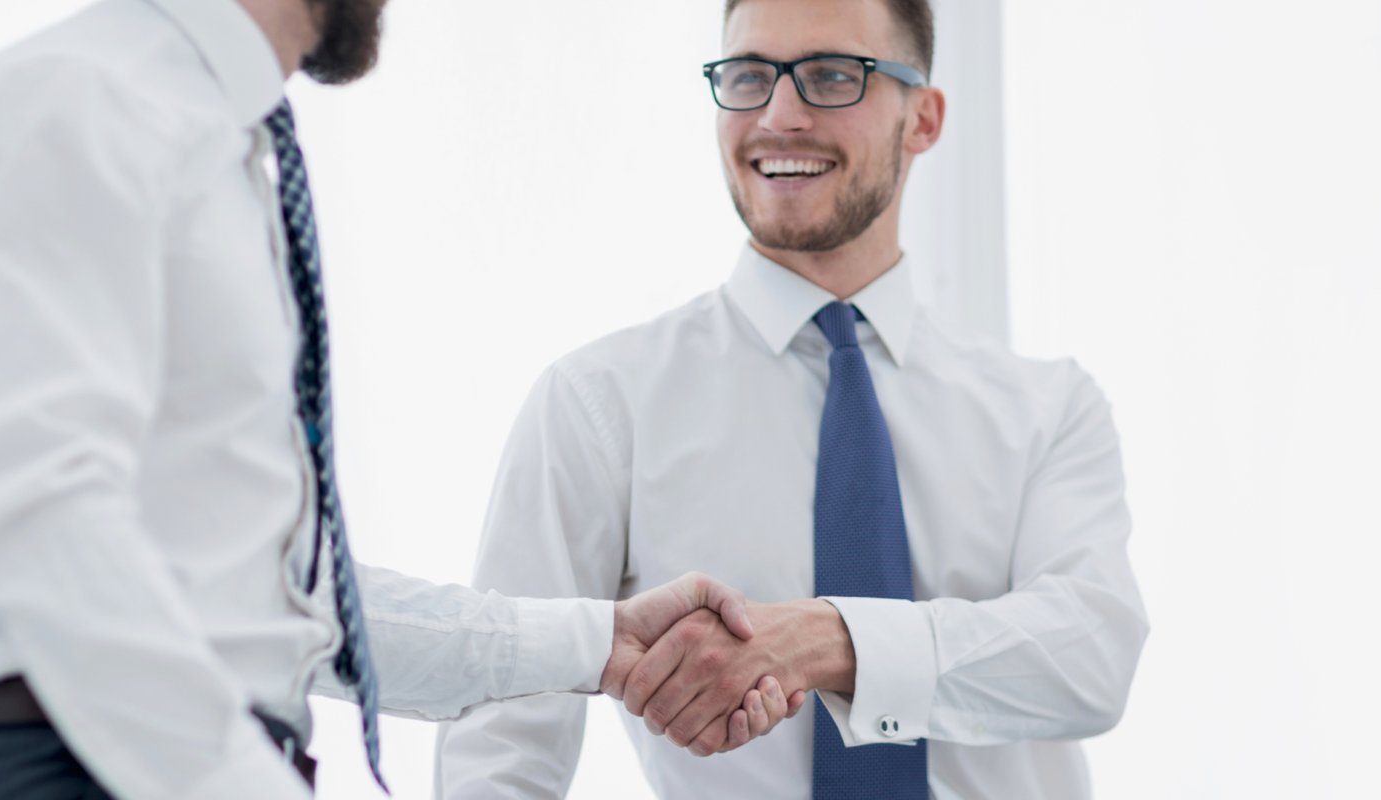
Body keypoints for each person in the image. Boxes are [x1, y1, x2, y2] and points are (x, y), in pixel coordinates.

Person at [0, 0, 799, 797]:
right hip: (70, 764)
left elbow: (276, 597)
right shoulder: (76, 101)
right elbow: (42, 530)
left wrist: (594, 643)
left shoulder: (219, 144)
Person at [434, 0, 1150, 797]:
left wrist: (830, 640)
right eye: (747, 76)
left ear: (924, 117)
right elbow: (501, 741)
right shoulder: (600, 405)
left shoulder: (1047, 409)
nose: (779, 116)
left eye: (832, 76)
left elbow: (1090, 658)